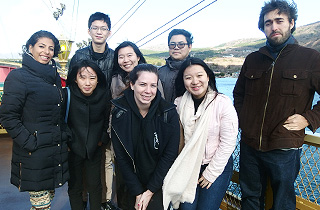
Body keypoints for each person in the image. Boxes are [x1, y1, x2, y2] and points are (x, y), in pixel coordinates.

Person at [233, 1, 320, 209]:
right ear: (263, 28)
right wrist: (244, 119)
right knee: (250, 198)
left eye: (279, 21)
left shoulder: (310, 59)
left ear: (291, 23)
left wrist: (309, 119)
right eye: (268, 23)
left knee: (282, 202)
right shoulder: (253, 59)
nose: (273, 27)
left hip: (284, 147)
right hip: (250, 145)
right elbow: (239, 94)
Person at [0, 30, 69, 210]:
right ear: (30, 47)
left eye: (51, 48)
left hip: (53, 151)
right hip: (34, 154)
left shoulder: (53, 77)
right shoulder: (19, 77)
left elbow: (57, 114)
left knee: (47, 201)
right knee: (41, 205)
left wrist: (65, 135)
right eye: (41, 46)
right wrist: (30, 142)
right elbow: (8, 116)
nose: (46, 51)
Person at [163, 57, 238, 210]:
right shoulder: (178, 104)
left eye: (199, 75)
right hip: (188, 164)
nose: (195, 81)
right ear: (183, 81)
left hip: (215, 164)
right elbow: (175, 137)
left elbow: (228, 142)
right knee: (186, 208)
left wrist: (211, 173)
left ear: (208, 76)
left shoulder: (222, 103)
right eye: (188, 77)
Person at [111, 64, 180, 210]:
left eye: (153, 86)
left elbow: (169, 155)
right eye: (142, 84)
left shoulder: (168, 113)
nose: (148, 91)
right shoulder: (119, 113)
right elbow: (122, 157)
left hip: (158, 181)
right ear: (132, 85)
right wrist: (137, 192)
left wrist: (149, 191)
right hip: (130, 182)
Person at [68, 12, 115, 210]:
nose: (99, 32)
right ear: (89, 31)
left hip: (101, 115)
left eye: (103, 28)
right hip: (77, 128)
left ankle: (102, 203)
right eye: (95, 28)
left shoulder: (114, 56)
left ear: (109, 32)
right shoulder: (79, 56)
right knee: (77, 182)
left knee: (99, 175)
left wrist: (103, 136)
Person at [65, 60, 109, 210]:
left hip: (94, 148)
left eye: (92, 78)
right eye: (82, 77)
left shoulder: (104, 95)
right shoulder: (67, 94)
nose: (87, 83)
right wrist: (68, 141)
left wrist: (101, 140)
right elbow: (61, 120)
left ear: (98, 79)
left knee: (95, 185)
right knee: (75, 186)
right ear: (75, 79)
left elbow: (107, 120)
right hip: (73, 147)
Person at [158, 29, 193, 103]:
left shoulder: (197, 71)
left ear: (189, 47)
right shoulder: (159, 73)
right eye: (172, 45)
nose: (176, 47)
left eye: (181, 44)